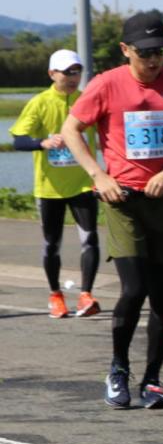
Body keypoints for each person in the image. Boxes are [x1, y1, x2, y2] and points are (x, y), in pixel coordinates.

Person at [61, 10, 163, 409]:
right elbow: (70, 131)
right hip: (122, 200)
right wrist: (98, 175)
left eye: (160, 51)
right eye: (144, 52)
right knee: (134, 289)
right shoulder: (107, 85)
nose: (154, 59)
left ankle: (153, 381)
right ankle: (119, 369)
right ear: (125, 50)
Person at [11, 49, 101, 318]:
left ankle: (86, 295)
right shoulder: (40, 103)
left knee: (90, 239)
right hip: (49, 187)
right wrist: (43, 143)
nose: (73, 77)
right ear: (52, 74)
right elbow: (18, 140)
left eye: (77, 71)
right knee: (52, 244)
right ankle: (55, 295)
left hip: (83, 184)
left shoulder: (87, 101)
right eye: (66, 72)